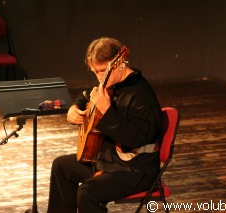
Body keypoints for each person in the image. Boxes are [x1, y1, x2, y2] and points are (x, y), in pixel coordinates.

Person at [47, 37, 163, 213]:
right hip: (108, 161)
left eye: (102, 71)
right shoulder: (110, 82)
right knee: (62, 166)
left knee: (87, 192)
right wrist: (74, 108)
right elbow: (86, 95)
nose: (100, 77)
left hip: (136, 169)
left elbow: (139, 138)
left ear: (119, 63)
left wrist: (108, 112)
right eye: (95, 72)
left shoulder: (140, 94)